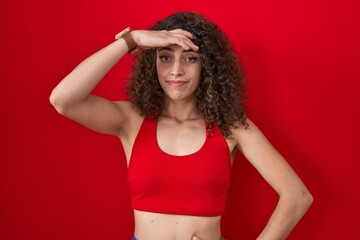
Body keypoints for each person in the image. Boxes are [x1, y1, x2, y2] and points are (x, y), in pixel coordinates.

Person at [50, 11, 313, 240]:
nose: (176, 70)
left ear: (207, 67)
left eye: (190, 58)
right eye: (165, 57)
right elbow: (63, 101)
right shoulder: (130, 119)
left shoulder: (232, 126)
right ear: (152, 63)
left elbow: (297, 197)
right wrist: (133, 40)